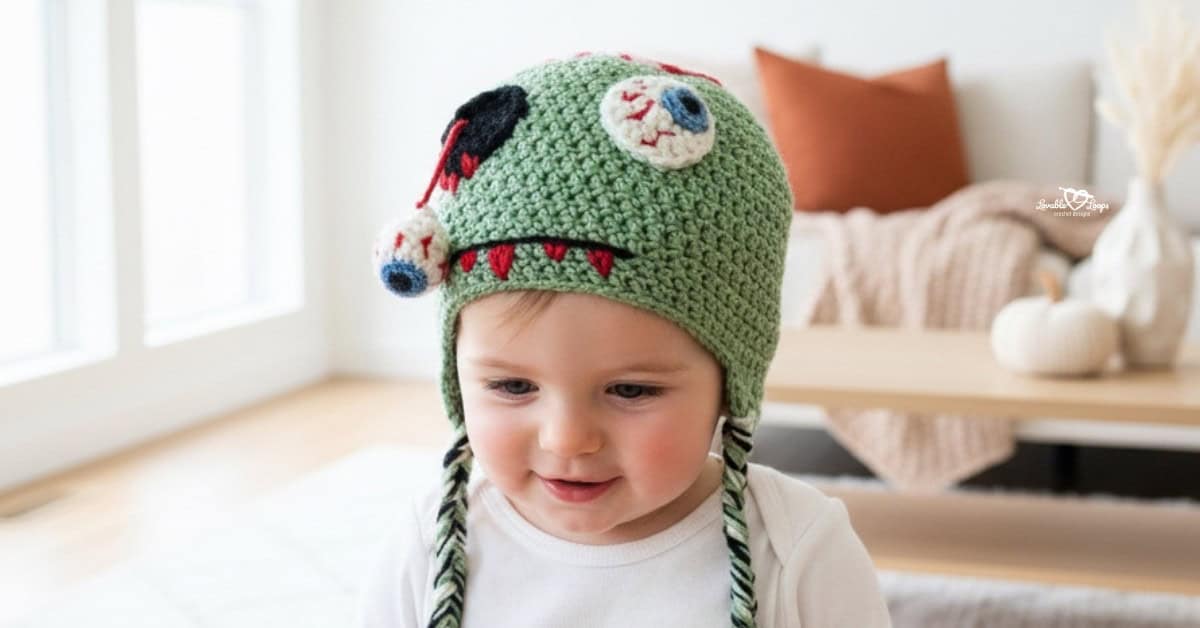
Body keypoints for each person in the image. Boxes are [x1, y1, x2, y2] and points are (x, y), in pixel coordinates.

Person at [360, 51, 892, 628]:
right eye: (512, 385)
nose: (568, 440)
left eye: (632, 391)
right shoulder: (435, 549)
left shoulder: (797, 553)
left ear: (729, 381)